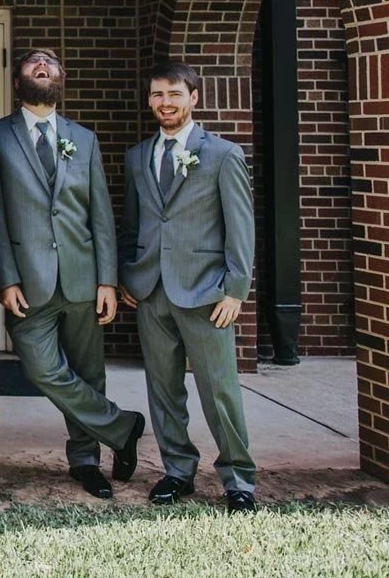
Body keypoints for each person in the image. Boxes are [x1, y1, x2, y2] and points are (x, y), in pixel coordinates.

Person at [0, 49, 144, 499]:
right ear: (18, 81)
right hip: (28, 282)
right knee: (42, 369)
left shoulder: (84, 138)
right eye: (33, 63)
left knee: (87, 372)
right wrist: (6, 277)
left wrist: (107, 280)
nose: (43, 66)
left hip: (82, 277)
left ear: (61, 78)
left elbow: (100, 213)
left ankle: (85, 461)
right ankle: (122, 426)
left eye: (51, 63)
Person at [118, 61, 257, 512]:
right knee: (163, 389)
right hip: (151, 292)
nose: (165, 102)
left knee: (219, 390)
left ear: (193, 98)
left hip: (206, 292)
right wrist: (129, 273)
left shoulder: (222, 154)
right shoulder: (138, 157)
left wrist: (236, 289)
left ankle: (239, 479)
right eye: (157, 94)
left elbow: (240, 226)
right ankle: (178, 471)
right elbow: (133, 224)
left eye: (174, 94)